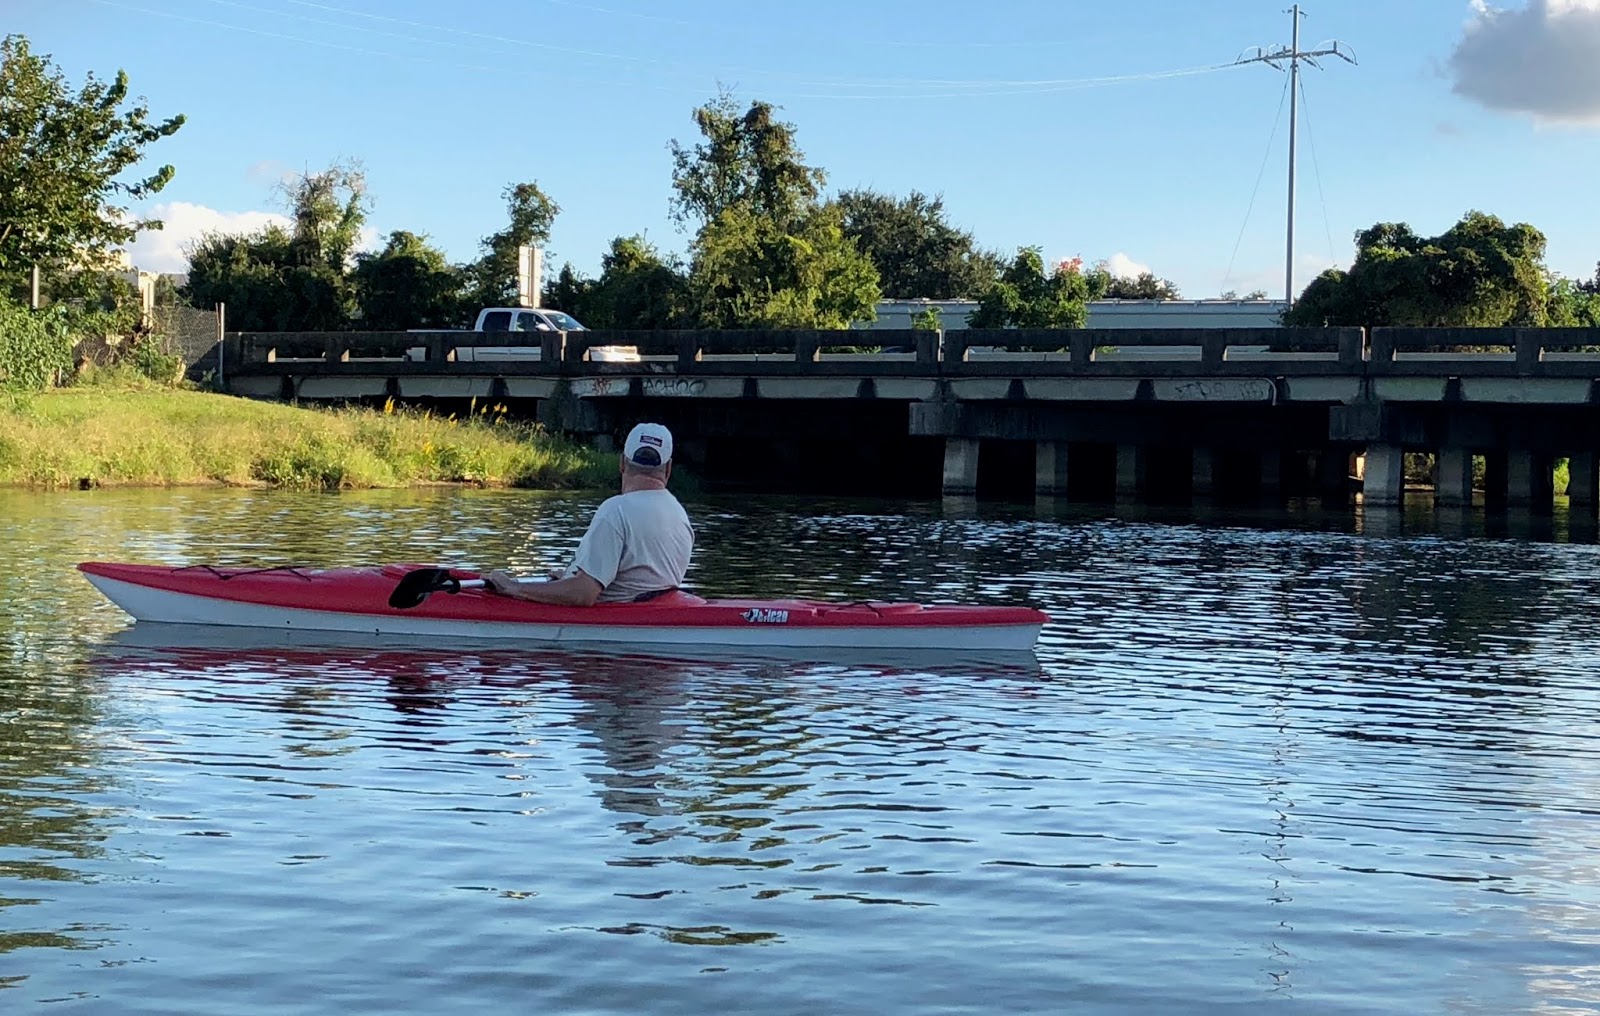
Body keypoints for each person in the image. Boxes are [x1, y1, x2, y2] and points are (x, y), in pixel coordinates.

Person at [483, 422, 694, 606]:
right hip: (650, 613)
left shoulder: (616, 510)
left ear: (622, 462)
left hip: (611, 621)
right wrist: (567, 578)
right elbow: (639, 582)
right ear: (668, 469)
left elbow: (583, 594)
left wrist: (512, 588)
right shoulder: (680, 516)